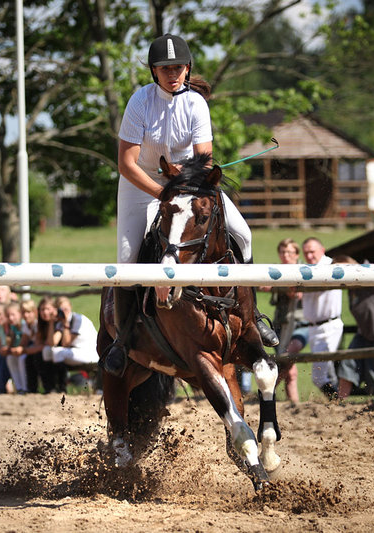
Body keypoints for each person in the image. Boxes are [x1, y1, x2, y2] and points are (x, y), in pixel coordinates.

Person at [101, 33, 277, 377]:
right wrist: (161, 192)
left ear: (187, 68)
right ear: (154, 71)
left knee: (243, 234)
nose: (173, 74)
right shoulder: (139, 102)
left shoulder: (196, 104)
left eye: (178, 67)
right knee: (128, 258)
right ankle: (123, 340)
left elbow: (205, 160)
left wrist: (186, 179)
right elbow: (127, 164)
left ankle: (254, 316)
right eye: (165, 68)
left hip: (188, 185)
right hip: (141, 185)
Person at [333, 256, 374, 398]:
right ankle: (339, 403)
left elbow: (372, 270)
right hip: (365, 333)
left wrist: (358, 267)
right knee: (348, 365)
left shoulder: (371, 279)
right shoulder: (352, 289)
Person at [267, 238, 308, 404]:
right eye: (283, 252)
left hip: (299, 322)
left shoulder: (305, 271)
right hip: (280, 322)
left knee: (286, 360)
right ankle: (294, 403)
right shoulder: (277, 272)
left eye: (290, 252)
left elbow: (300, 292)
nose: (286, 256)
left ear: (296, 254)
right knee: (289, 369)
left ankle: (267, 392)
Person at [301, 237, 343, 399]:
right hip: (313, 326)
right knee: (324, 371)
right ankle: (337, 401)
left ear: (322, 250)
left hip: (328, 325)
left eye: (312, 251)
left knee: (319, 376)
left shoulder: (331, 266)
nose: (309, 255)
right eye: (306, 253)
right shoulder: (306, 267)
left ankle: (337, 400)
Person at [42, 296, 98, 372]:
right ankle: (50, 383)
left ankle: (61, 383)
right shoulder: (62, 321)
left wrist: (65, 324)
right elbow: (52, 343)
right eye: (61, 310)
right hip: (76, 351)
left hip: (90, 352)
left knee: (58, 352)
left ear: (70, 307)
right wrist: (51, 322)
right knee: (46, 350)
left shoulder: (78, 319)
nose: (64, 312)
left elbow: (66, 343)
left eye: (66, 309)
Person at [4, 302, 28, 394]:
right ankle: (19, 387)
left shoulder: (24, 325)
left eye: (13, 315)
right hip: (17, 351)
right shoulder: (13, 327)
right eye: (8, 315)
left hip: (26, 351)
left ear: (20, 314)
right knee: (10, 358)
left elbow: (25, 342)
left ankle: (25, 387)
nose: (10, 318)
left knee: (21, 359)